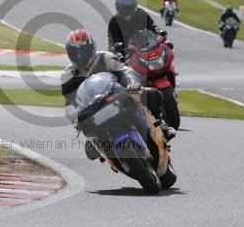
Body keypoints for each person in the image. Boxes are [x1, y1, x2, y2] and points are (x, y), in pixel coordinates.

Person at [61, 29, 174, 160]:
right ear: (70, 53)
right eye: (76, 53)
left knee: (151, 94)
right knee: (91, 149)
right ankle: (106, 151)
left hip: (118, 96)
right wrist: (74, 118)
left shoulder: (105, 57)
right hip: (93, 110)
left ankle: (162, 127)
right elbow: (69, 101)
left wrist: (132, 84)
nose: (80, 56)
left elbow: (125, 71)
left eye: (83, 51)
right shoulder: (68, 75)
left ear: (91, 47)